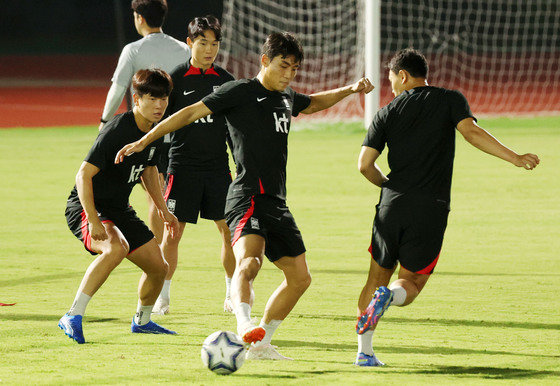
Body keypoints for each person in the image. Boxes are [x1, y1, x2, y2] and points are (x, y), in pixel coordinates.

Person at [115, 32, 374, 360]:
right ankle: (243, 322)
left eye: (294, 69)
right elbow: (189, 113)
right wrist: (145, 140)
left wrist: (350, 90)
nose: (289, 74)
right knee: (250, 261)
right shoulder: (240, 92)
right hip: (246, 195)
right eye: (283, 66)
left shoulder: (286, 97)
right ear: (265, 61)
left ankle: (261, 342)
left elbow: (313, 103)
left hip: (276, 201)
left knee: (300, 278)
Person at [354, 48, 540, 366]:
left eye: (391, 80)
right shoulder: (449, 98)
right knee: (410, 281)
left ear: (402, 75)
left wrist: (387, 187)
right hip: (430, 207)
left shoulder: (386, 112)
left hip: (390, 206)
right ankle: (392, 297)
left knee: (375, 278)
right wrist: (515, 157)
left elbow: (364, 165)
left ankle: (364, 352)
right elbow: (471, 132)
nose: (391, 87)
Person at [59, 69, 180, 344]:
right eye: (152, 98)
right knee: (116, 247)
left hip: (118, 209)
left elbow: (148, 169)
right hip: (86, 206)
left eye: (163, 98)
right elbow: (83, 175)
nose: (159, 104)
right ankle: (72, 315)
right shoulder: (118, 129)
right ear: (136, 99)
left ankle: (143, 321)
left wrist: (162, 208)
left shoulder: (156, 130)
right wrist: (92, 219)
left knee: (159, 267)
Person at [152, 15, 236, 316]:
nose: (209, 49)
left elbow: (233, 129)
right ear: (190, 43)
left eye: (214, 44)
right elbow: (160, 126)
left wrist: (240, 162)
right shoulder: (175, 79)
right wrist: (160, 166)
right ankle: (162, 296)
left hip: (217, 169)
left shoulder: (226, 82)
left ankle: (231, 294)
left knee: (229, 231)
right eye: (203, 43)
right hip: (182, 168)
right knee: (172, 233)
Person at [99, 0, 189, 244]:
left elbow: (118, 89)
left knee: (153, 196)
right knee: (159, 195)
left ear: (139, 17)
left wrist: (104, 120)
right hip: (175, 136)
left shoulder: (133, 50)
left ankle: (154, 255)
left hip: (142, 134)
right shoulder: (183, 49)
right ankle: (155, 253)